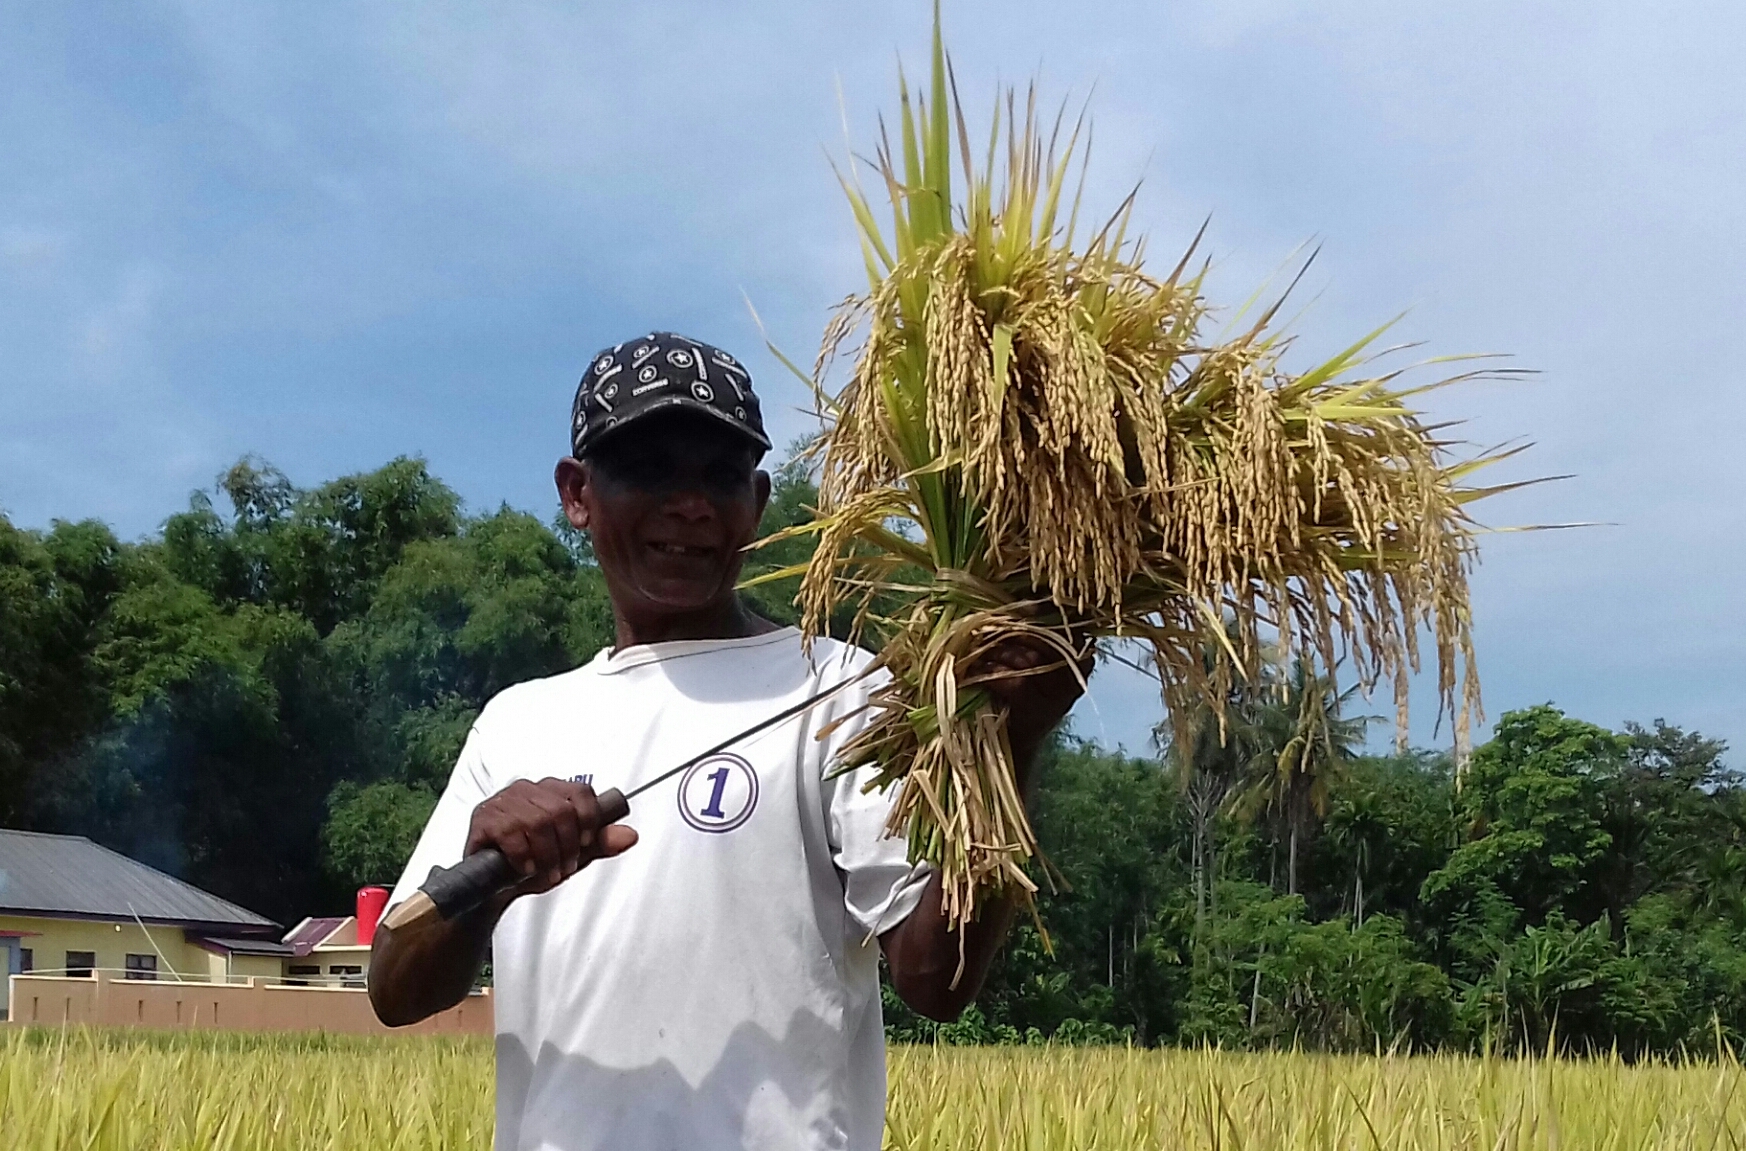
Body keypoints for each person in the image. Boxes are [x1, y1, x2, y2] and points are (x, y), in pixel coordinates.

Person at [368, 331, 1085, 1151]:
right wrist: (489, 879)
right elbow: (394, 984)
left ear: (759, 499)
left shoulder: (838, 688)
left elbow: (935, 980)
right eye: (650, 468)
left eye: (721, 475)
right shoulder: (519, 720)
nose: (690, 503)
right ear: (578, 493)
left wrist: (1012, 742)